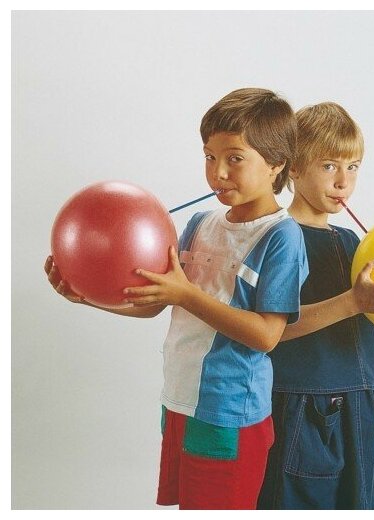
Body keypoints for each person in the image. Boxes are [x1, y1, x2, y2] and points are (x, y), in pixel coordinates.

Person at [44, 88, 309, 510]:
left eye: (235, 158)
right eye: (209, 157)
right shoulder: (200, 223)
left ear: (276, 163)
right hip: (180, 401)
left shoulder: (281, 236)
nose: (218, 172)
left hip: (228, 414)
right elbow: (155, 302)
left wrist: (186, 294)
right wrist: (87, 298)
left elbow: (266, 336)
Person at [257, 102, 374, 510]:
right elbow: (268, 330)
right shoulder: (279, 237)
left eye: (353, 167)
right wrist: (352, 302)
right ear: (294, 168)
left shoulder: (353, 242)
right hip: (302, 410)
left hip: (357, 407)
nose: (343, 181)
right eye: (329, 166)